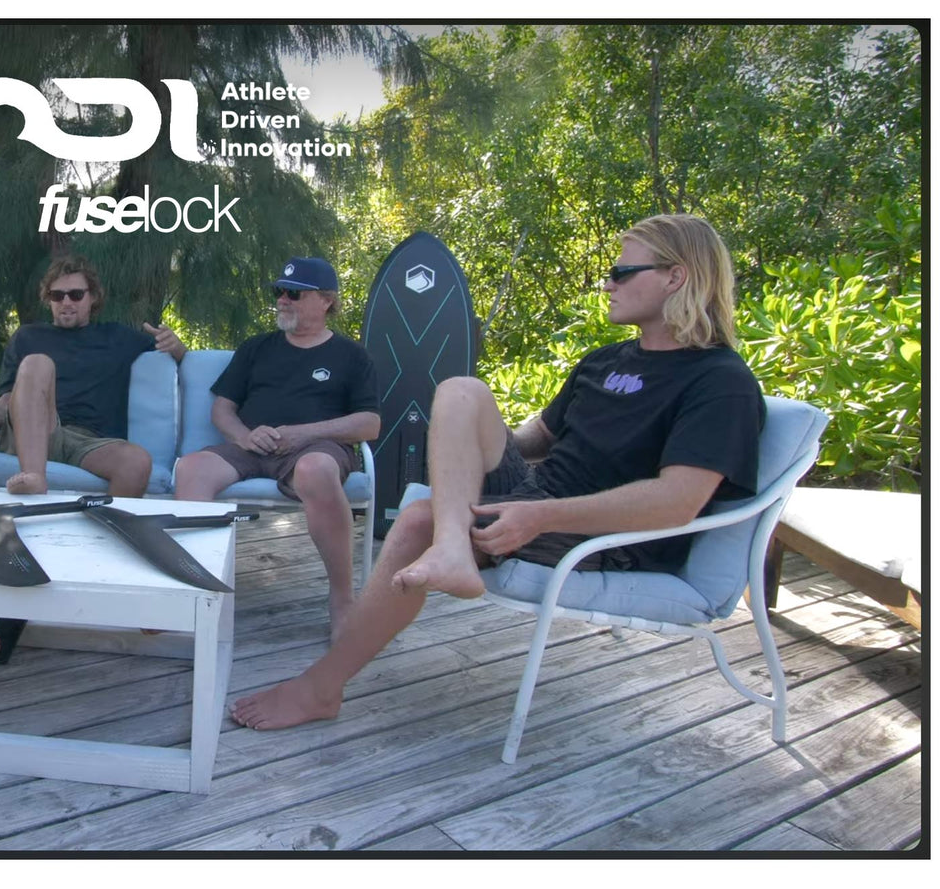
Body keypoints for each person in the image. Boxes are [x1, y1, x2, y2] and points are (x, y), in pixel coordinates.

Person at [230, 213, 765, 730]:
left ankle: (323, 686)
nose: (607, 283)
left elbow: (677, 501)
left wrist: (538, 515)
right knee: (461, 390)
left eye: (622, 272)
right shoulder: (605, 361)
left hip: (602, 534)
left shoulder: (718, 381)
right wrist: (463, 437)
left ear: (677, 277)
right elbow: (536, 441)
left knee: (417, 520)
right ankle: (451, 551)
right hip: (538, 496)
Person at [174, 256, 380, 635]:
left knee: (315, 470)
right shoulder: (257, 348)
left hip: (316, 448)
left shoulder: (351, 356)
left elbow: (370, 424)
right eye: (279, 292)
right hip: (251, 446)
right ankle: (198, 590)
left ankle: (341, 599)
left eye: (294, 294)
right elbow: (222, 409)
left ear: (326, 300)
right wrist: (243, 436)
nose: (282, 300)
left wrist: (304, 433)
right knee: (190, 468)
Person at [0, 255, 185, 497]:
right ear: (48, 299)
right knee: (37, 363)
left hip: (87, 442)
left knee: (136, 461)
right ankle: (34, 476)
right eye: (57, 295)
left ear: (93, 297)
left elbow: (181, 357)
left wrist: (176, 346)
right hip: (33, 431)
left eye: (76, 294)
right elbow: (8, 396)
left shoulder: (118, 337)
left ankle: (108, 529)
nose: (66, 302)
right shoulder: (27, 337)